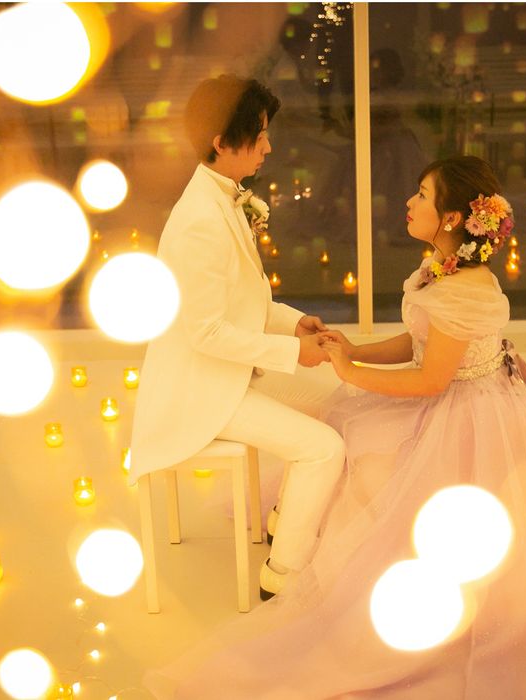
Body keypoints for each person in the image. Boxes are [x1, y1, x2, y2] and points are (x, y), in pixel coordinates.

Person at [144, 156, 526, 699]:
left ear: (452, 218)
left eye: (422, 195)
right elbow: (418, 342)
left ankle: (340, 572)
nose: (409, 202)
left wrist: (352, 372)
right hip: (448, 392)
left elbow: (431, 379)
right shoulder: (442, 267)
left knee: (373, 465)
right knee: (347, 424)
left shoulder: (465, 288)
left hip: (469, 414)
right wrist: (355, 351)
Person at [129, 74, 345, 600]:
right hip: (202, 388)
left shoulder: (222, 198)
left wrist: (295, 324)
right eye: (261, 134)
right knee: (324, 449)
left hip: (232, 371)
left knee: (337, 402)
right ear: (222, 142)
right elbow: (206, 331)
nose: (269, 147)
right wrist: (294, 353)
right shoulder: (199, 220)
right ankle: (283, 575)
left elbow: (245, 300)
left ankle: (283, 520)